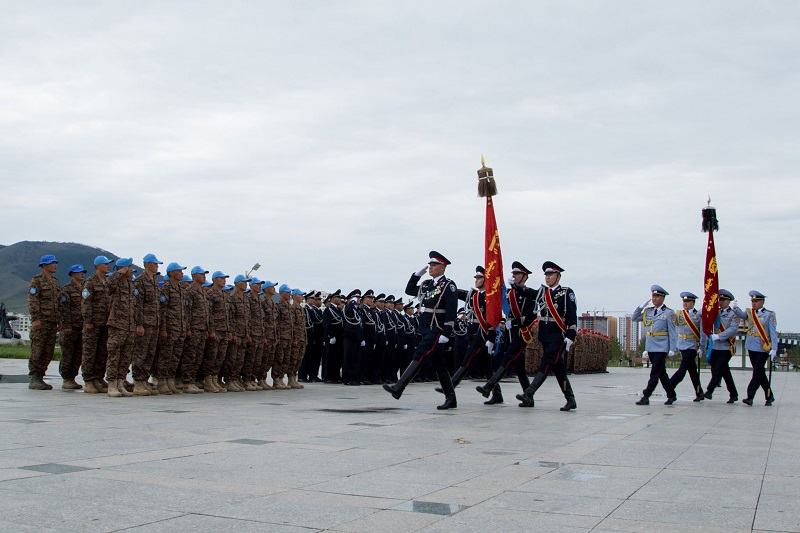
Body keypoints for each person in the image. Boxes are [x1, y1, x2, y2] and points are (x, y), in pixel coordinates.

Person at [383, 251, 458, 410]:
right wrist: (416, 275)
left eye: (434, 265)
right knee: (439, 364)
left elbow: (451, 310)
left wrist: (446, 332)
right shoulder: (426, 284)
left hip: (437, 328)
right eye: (429, 265)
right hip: (425, 327)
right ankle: (451, 398)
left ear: (443, 267)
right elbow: (409, 290)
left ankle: (399, 387)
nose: (430, 267)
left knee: (420, 354)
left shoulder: (448, 285)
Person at [516, 261, 578, 411]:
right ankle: (570, 399)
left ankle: (529, 393)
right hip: (545, 336)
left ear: (558, 276)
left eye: (551, 274)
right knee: (558, 368)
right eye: (546, 275)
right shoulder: (543, 292)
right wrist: (515, 286)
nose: (547, 277)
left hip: (558, 336)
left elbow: (572, 316)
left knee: (546, 363)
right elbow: (528, 293)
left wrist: (571, 335)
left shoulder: (566, 293)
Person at [476, 261, 536, 405]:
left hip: (521, 332)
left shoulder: (530, 294)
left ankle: (489, 386)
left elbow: (531, 316)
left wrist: (514, 323)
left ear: (525, 276)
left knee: (507, 358)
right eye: (513, 274)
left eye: (517, 274)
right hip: (509, 333)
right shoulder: (508, 293)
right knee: (519, 368)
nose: (514, 276)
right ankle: (528, 398)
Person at [633, 285, 678, 405]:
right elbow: (634, 318)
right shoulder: (648, 311)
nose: (654, 298)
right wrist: (640, 307)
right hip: (651, 345)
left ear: (663, 298)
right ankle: (671, 395)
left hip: (662, 346)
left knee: (655, 372)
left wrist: (673, 348)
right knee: (661, 373)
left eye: (657, 296)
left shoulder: (668, 313)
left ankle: (646, 395)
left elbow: (672, 332)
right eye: (653, 296)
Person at [105, 258, 139, 397]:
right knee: (114, 355)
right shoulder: (115, 284)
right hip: (117, 325)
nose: (131, 270)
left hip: (130, 326)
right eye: (129, 268)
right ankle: (112, 384)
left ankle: (120, 383)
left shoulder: (130, 285)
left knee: (125, 357)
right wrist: (119, 273)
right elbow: (109, 284)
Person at [703, 289, 745, 403]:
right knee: (724, 371)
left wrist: (719, 336)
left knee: (718, 370)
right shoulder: (715, 312)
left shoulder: (734, 314)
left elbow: (733, 330)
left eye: (723, 300)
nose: (720, 302)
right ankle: (734, 394)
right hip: (715, 346)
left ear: (729, 301)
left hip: (726, 347)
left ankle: (709, 391)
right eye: (719, 299)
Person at [81, 255, 115, 393]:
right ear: (98, 266)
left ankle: (98, 377)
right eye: (105, 264)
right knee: (90, 352)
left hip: (105, 323)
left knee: (102, 352)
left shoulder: (107, 282)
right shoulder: (90, 282)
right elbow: (86, 302)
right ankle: (89, 380)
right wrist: (88, 320)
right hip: (93, 323)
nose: (108, 266)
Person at [27, 254, 61, 390]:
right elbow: (32, 300)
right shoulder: (37, 281)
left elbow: (58, 302)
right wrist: (35, 318)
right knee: (38, 349)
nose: (55, 265)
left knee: (48, 351)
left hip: (52, 321)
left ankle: (41, 376)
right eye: (52, 263)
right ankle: (34, 377)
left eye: (55, 263)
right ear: (44, 265)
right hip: (41, 321)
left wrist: (60, 320)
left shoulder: (55, 282)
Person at [156, 262, 190, 395]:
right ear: (171, 273)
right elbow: (163, 310)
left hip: (180, 328)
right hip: (170, 328)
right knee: (165, 356)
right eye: (179, 271)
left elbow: (184, 312)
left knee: (175, 357)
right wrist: (163, 328)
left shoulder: (181, 290)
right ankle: (162, 382)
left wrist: (184, 328)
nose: (182, 273)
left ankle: (170, 380)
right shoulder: (166, 289)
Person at [131, 253, 162, 395]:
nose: (157, 266)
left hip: (154, 323)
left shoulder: (154, 281)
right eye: (155, 264)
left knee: (150, 354)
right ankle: (138, 382)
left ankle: (144, 380)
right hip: (144, 323)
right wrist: (139, 324)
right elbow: (137, 304)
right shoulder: (140, 281)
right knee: (140, 353)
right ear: (147, 264)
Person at [668, 292, 706, 402]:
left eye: (688, 301)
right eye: (684, 301)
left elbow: (703, 332)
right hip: (682, 345)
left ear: (693, 303)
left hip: (692, 346)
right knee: (692, 371)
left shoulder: (698, 315)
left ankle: (669, 387)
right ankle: (699, 393)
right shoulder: (679, 314)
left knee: (682, 370)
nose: (685, 303)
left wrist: (702, 347)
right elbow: (675, 328)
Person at [742, 290, 778, 406]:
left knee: (757, 372)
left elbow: (773, 332)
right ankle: (769, 396)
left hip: (763, 347)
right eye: (752, 301)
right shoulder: (750, 312)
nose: (753, 303)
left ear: (762, 302)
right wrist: (736, 308)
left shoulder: (769, 315)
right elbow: (741, 316)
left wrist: (774, 348)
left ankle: (750, 396)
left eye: (756, 301)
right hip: (751, 345)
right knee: (760, 372)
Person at [58, 264, 86, 390]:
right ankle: (66, 378)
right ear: (72, 274)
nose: (82, 274)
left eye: (83, 272)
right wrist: (66, 325)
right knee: (68, 353)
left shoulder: (84, 289)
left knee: (78, 353)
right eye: (79, 272)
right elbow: (64, 309)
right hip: (71, 327)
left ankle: (73, 377)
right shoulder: (67, 289)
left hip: (82, 326)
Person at [342, 289, 364, 385]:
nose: (359, 299)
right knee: (349, 358)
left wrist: (362, 338)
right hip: (349, 336)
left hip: (357, 337)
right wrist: (352, 302)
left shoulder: (358, 310)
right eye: (357, 297)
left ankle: (354, 378)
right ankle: (347, 378)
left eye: (359, 297)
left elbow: (360, 325)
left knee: (356, 359)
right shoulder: (348, 307)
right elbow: (349, 312)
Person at [322, 290, 344, 383]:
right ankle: (329, 377)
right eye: (338, 297)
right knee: (331, 358)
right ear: (333, 298)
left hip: (339, 337)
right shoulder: (329, 309)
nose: (340, 299)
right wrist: (331, 336)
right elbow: (326, 324)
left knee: (337, 358)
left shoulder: (338, 310)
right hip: (332, 337)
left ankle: (336, 376)